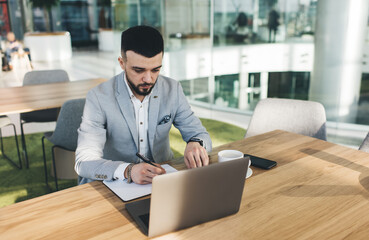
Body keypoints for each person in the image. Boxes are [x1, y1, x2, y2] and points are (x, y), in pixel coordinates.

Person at [75, 25, 212, 185]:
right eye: (139, 70)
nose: (148, 79)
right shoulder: (98, 97)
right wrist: (128, 171)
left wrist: (196, 143)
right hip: (115, 182)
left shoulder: (172, 89)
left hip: (162, 179)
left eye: (155, 70)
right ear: (121, 63)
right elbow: (84, 162)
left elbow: (200, 135)